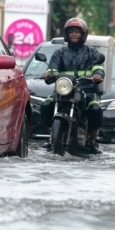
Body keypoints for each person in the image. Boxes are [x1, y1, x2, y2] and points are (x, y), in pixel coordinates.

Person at [40, 18, 106, 154]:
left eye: (77, 32)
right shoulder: (59, 53)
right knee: (46, 104)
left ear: (83, 34)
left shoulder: (92, 53)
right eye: (71, 32)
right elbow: (52, 70)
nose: (74, 34)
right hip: (64, 91)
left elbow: (99, 68)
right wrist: (48, 75)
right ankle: (51, 135)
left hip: (87, 91)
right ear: (67, 34)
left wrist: (98, 75)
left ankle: (92, 140)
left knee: (95, 109)